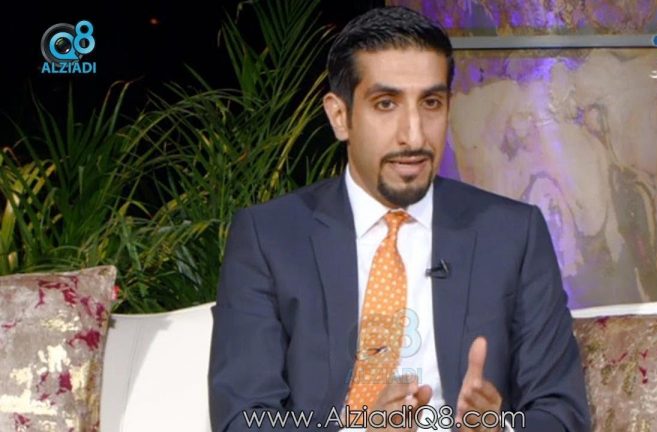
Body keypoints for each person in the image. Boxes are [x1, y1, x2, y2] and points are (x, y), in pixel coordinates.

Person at [208, 6, 590, 432]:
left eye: (431, 103)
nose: (414, 134)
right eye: (386, 104)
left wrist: (499, 429)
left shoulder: (514, 234)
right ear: (340, 116)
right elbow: (242, 418)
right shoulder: (269, 238)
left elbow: (562, 412)